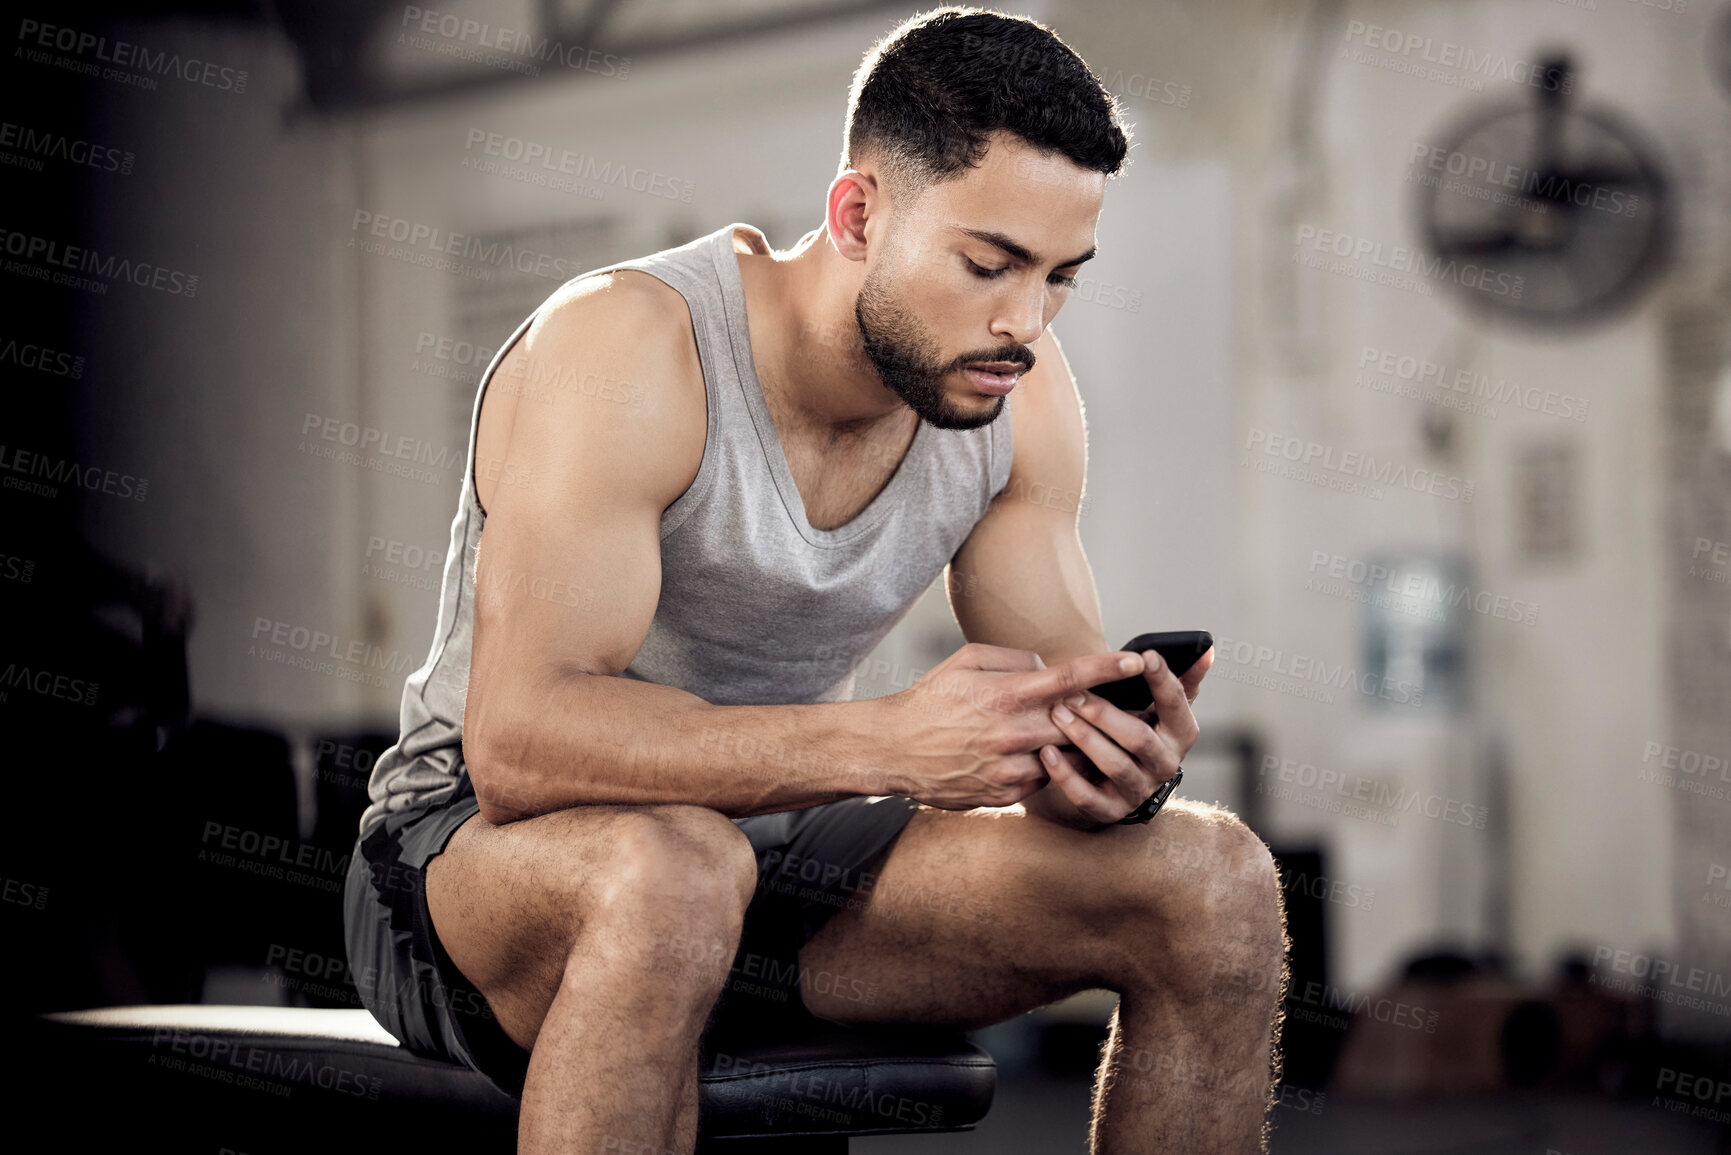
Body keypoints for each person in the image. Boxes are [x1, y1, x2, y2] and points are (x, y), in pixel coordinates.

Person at [343, 6, 1287, 1152]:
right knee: (669, 870)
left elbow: (1058, 698)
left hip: (772, 851)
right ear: (856, 216)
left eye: (1060, 278)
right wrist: (884, 747)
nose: (1025, 322)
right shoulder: (627, 347)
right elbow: (522, 745)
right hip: (468, 866)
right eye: (989, 265)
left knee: (1214, 879)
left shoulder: (1013, 396)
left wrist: (1102, 768)